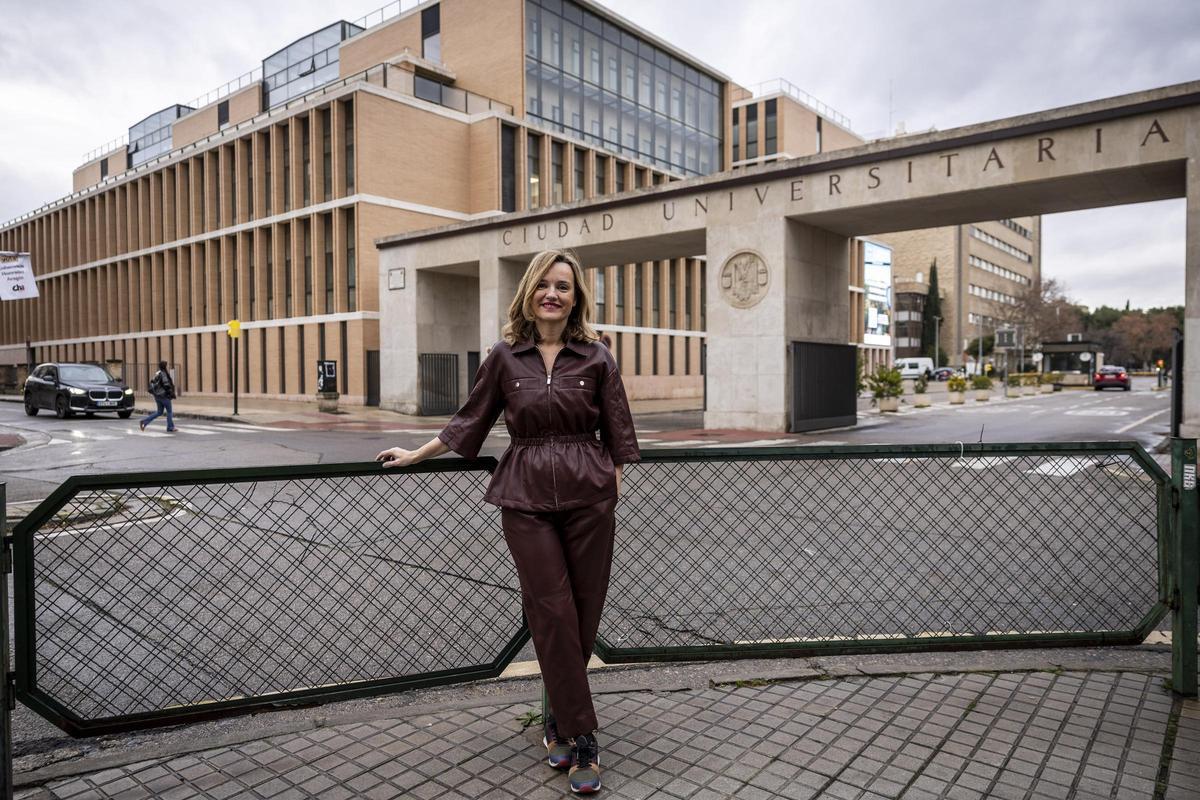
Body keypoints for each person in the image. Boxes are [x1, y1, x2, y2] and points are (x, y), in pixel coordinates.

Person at [377, 249, 639, 794]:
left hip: (590, 496)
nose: (553, 294)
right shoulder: (504, 356)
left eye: (564, 286)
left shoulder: (597, 356)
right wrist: (415, 455)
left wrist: (613, 481)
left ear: (576, 297)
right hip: (524, 498)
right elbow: (469, 420)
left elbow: (619, 428)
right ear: (527, 292)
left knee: (583, 612)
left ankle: (556, 721)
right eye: (543, 284)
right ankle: (584, 734)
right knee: (551, 608)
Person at [140, 361, 177, 432]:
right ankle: (170, 427)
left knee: (159, 412)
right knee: (169, 412)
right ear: (164, 367)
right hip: (164, 396)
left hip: (157, 396)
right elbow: (166, 385)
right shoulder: (163, 374)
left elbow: (152, 382)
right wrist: (171, 394)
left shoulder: (157, 373)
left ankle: (144, 422)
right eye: (166, 365)